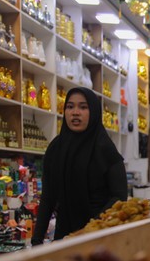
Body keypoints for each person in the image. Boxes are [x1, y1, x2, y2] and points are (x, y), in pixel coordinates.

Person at [32, 87, 128, 245]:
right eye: (70, 107)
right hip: (64, 237)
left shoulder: (105, 149)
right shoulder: (56, 148)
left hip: (99, 238)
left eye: (83, 107)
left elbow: (119, 196)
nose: (75, 112)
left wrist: (91, 228)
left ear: (94, 112)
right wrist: (37, 240)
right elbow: (48, 197)